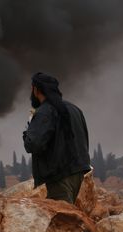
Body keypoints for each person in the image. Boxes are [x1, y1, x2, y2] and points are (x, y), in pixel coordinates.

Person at [23, 72, 92, 204]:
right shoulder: (74, 109)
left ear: (36, 90)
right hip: (78, 172)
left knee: (62, 219)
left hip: (60, 176)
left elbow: (33, 144)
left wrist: (29, 129)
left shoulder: (45, 111)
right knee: (68, 212)